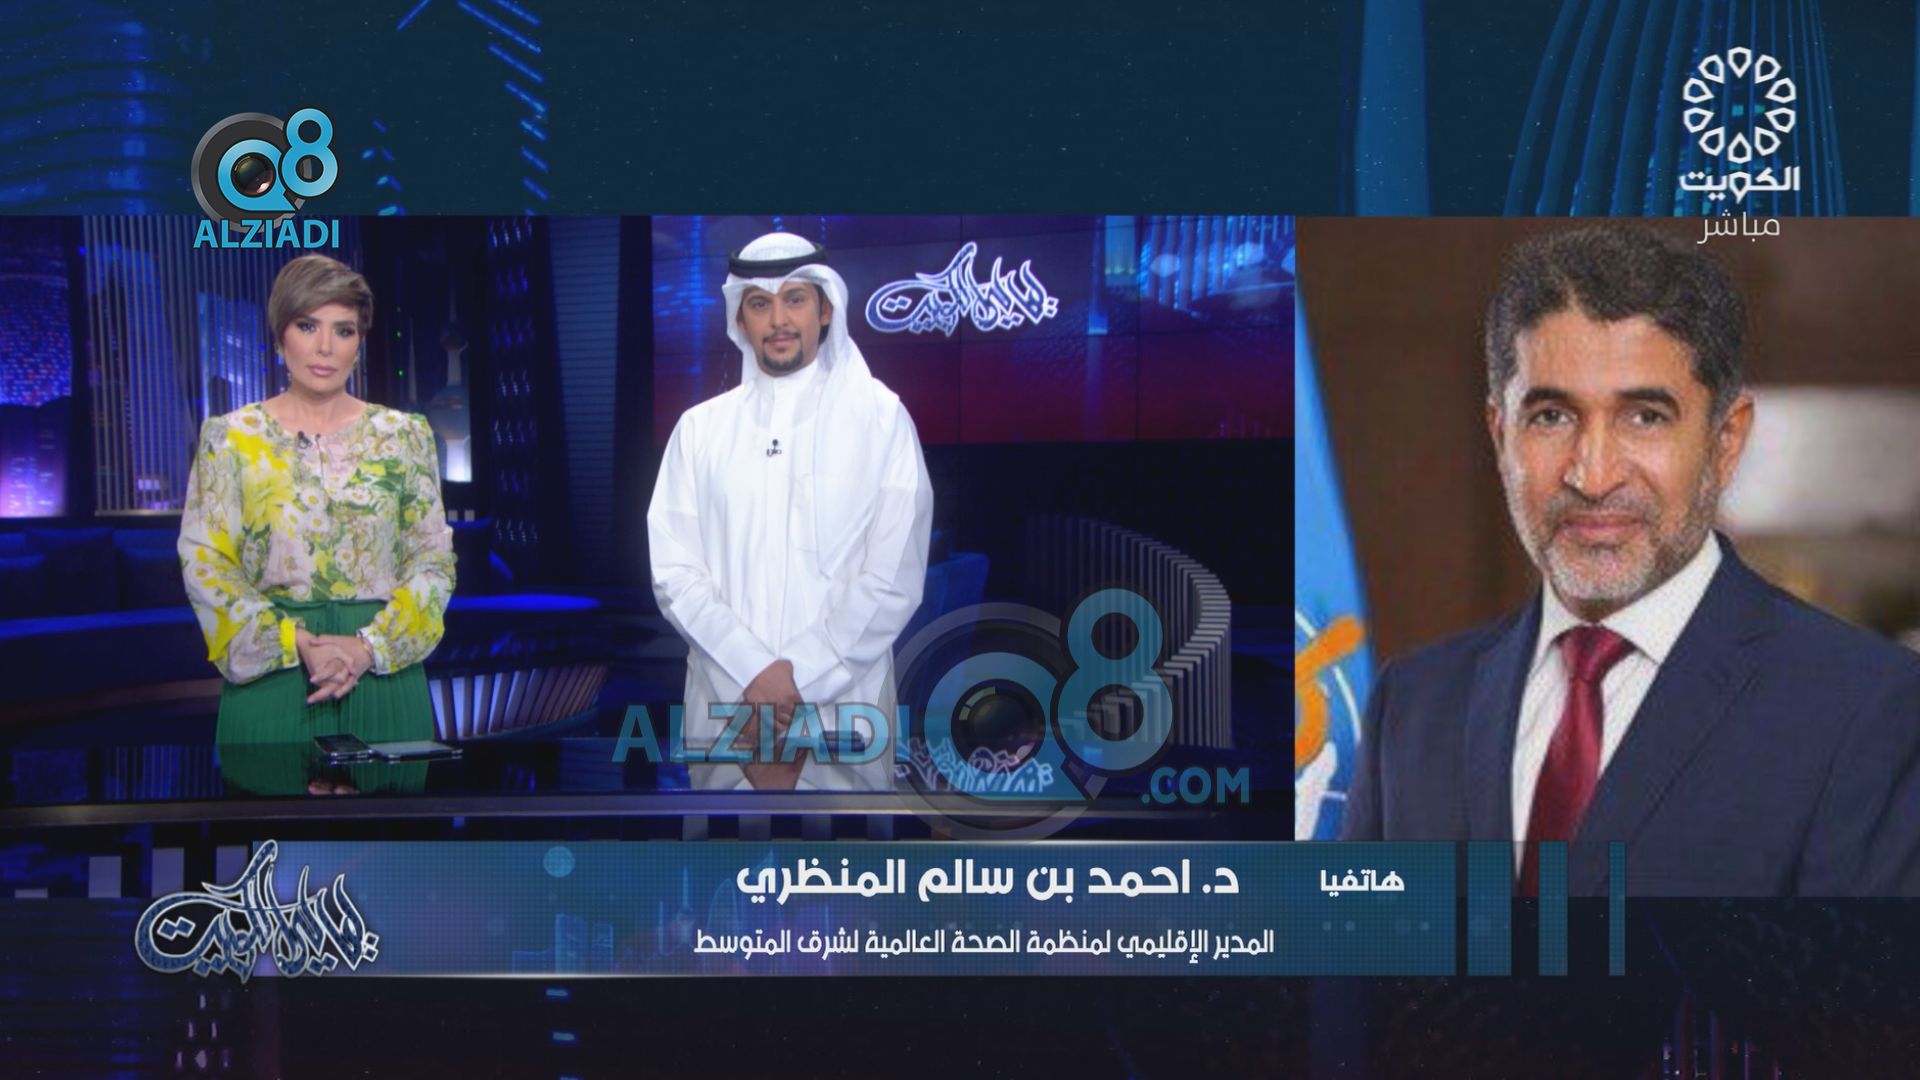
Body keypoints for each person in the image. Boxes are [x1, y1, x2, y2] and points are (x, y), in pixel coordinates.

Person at [1340, 225, 1920, 896]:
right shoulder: (1415, 704)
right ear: (1501, 435)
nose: (1593, 475)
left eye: (1644, 416)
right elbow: (1357, 959)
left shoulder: (1867, 708)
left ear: (1726, 441)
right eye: (1551, 416)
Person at [648, 231, 933, 791]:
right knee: (721, 850)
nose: (778, 319)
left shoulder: (882, 421)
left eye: (795, 299)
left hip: (844, 723)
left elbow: (893, 578)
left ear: (825, 309)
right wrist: (753, 671)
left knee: (848, 850)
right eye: (760, 303)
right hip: (729, 718)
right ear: (740, 319)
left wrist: (788, 686)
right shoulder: (699, 431)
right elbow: (676, 575)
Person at [178, 254, 455, 773]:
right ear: (280, 335)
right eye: (308, 326)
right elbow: (206, 564)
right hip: (275, 675)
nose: (326, 347)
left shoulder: (405, 436)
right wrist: (297, 642)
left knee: (390, 825)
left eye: (343, 330)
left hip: (383, 672)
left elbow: (432, 561)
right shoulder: (230, 438)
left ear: (358, 342)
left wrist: (367, 648)